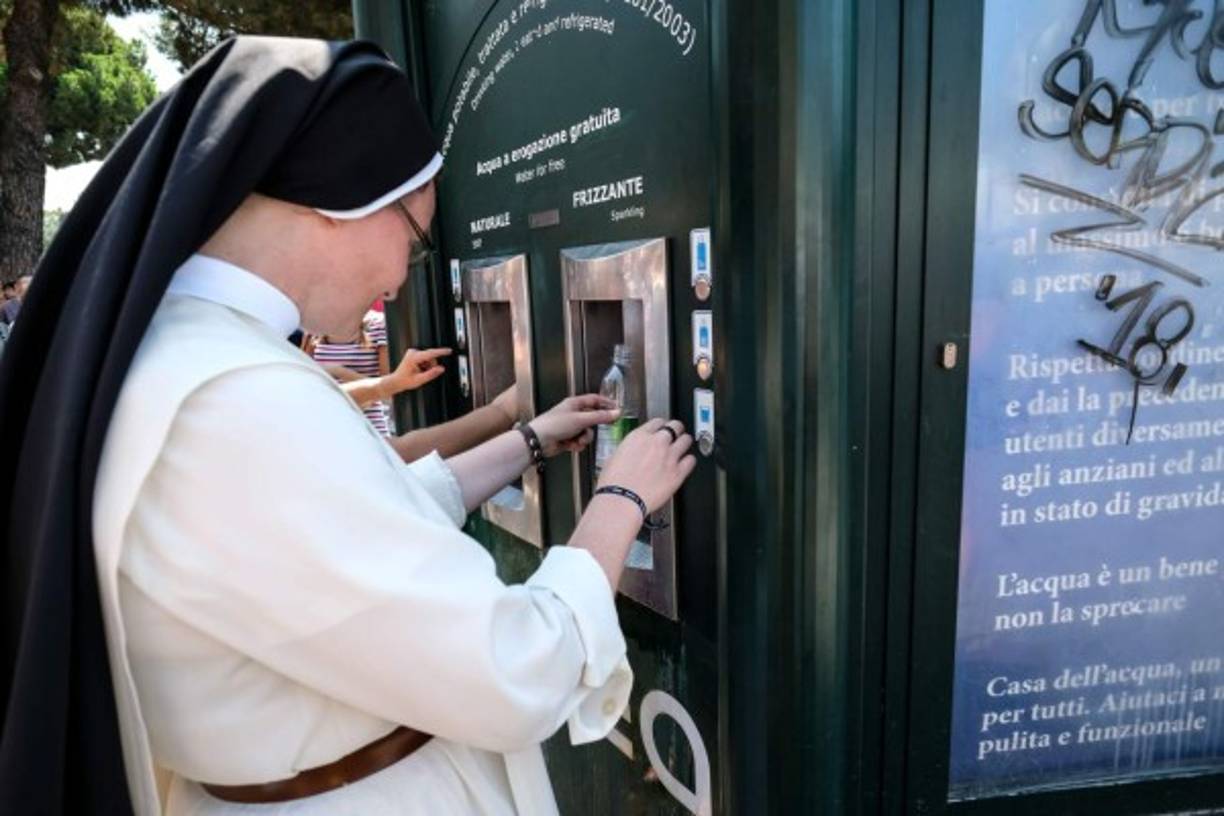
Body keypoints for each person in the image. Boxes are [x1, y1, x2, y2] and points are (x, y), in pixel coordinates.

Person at [0, 37, 696, 816]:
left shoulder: (186, 356)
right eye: (415, 238)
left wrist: (528, 439)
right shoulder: (238, 400)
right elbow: (509, 669)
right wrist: (620, 501)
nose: (400, 278)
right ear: (343, 202)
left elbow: (359, 531)